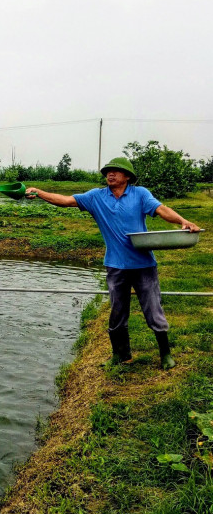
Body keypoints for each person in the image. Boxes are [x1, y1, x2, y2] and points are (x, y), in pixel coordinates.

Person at [25, 157, 201, 369]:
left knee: (154, 310)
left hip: (143, 264)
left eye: (116, 171)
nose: (110, 174)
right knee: (117, 312)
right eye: (108, 171)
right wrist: (40, 193)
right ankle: (121, 355)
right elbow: (65, 200)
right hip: (116, 266)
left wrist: (183, 221)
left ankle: (165, 354)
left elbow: (161, 209)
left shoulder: (140, 194)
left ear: (127, 176)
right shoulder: (95, 197)